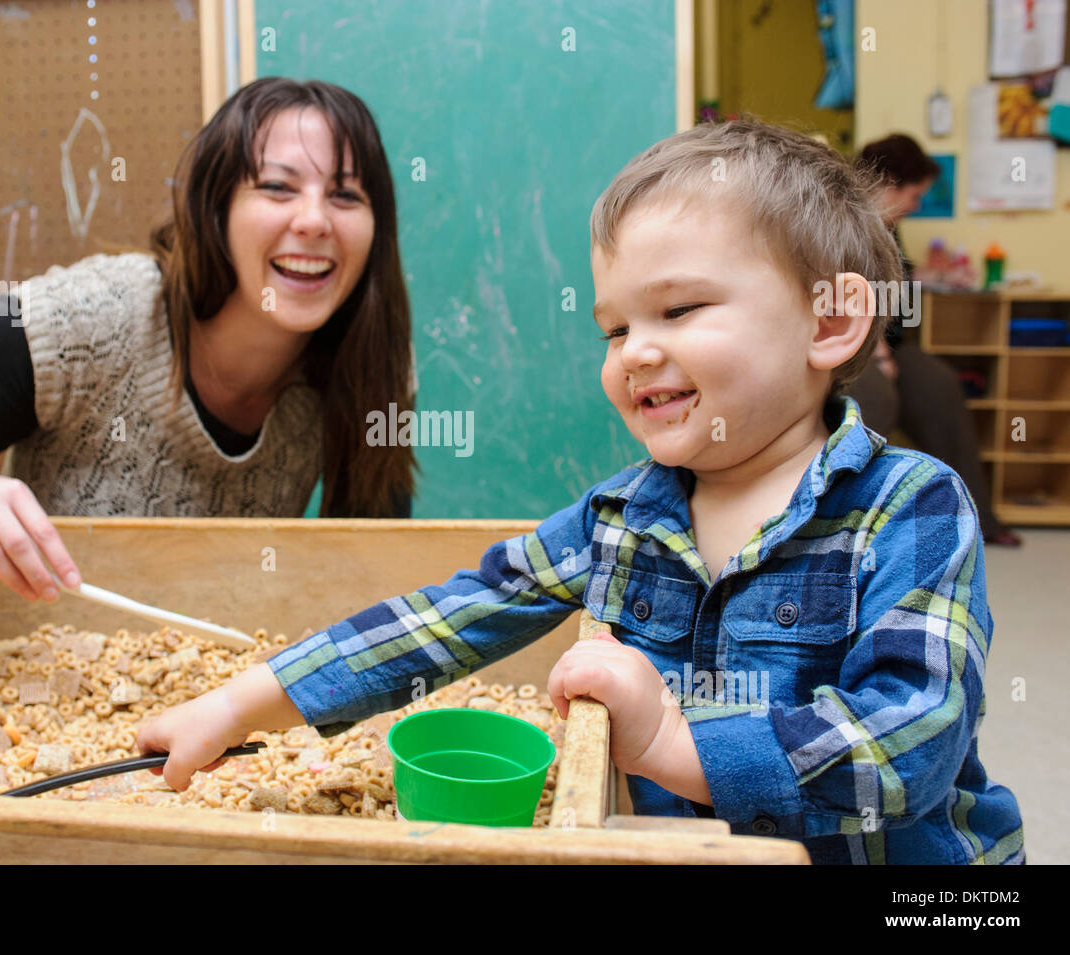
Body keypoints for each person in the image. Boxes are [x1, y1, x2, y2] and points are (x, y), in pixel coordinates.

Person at [136, 119, 1024, 865]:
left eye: (677, 312)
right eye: (614, 326)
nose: (633, 350)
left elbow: (915, 737)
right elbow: (450, 616)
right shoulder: (621, 517)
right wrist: (236, 704)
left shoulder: (911, 504)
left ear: (830, 322)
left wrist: (674, 745)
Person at [0, 78, 417, 602]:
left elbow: (367, 576)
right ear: (216, 209)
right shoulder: (80, 321)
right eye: (278, 188)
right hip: (40, 676)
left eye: (346, 195)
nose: (314, 220)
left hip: (225, 693)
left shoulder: (373, 367)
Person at [849, 133, 1020, 546]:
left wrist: (936, 275)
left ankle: (974, 519)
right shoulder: (849, 223)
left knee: (940, 386)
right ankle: (855, 527)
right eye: (914, 194)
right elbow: (854, 296)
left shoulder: (889, 227)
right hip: (857, 348)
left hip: (891, 344)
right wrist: (880, 354)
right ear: (889, 184)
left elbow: (896, 284)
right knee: (877, 399)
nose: (917, 204)